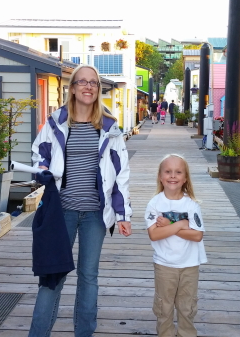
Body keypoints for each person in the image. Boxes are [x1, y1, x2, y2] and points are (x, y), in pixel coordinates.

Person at [29, 64, 133, 337]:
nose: (88, 87)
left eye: (93, 83)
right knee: (53, 279)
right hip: (60, 212)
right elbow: (39, 154)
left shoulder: (110, 128)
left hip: (96, 215)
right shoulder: (56, 122)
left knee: (89, 278)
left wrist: (122, 215)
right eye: (82, 82)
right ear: (72, 88)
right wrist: (42, 171)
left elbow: (121, 173)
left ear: (98, 89)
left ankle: (83, 333)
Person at [145, 154, 207, 337]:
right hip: (164, 265)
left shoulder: (192, 205)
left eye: (178, 172)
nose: (173, 176)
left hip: (189, 265)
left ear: (185, 178)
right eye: (168, 171)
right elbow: (154, 234)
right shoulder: (154, 204)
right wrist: (180, 224)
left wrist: (170, 226)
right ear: (160, 176)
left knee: (187, 306)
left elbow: (196, 235)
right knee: (164, 307)